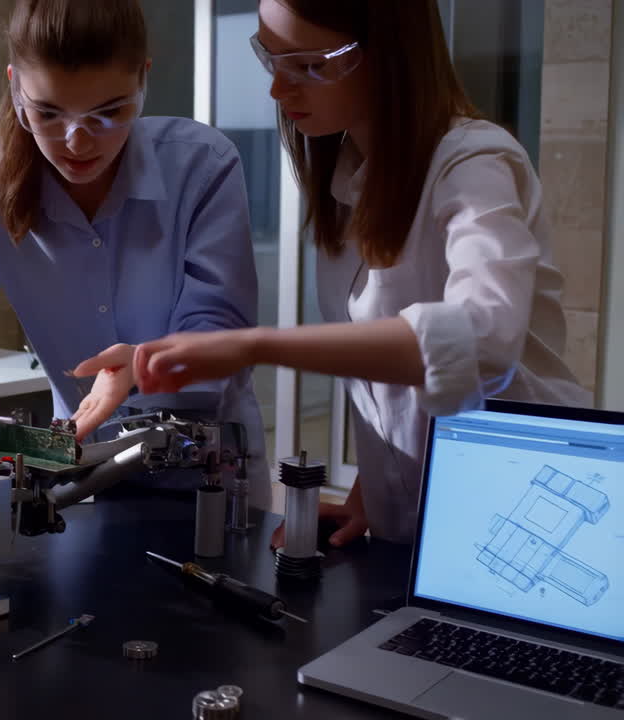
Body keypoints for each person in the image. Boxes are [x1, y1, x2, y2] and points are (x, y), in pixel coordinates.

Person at [109, 0, 590, 546]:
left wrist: (255, 346)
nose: (278, 90)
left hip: (527, 501)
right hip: (421, 518)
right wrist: (379, 485)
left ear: (391, 55)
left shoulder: (474, 162)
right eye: (272, 59)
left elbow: (481, 343)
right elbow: (400, 392)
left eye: (310, 65)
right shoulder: (347, 183)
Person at [0, 0, 271, 504]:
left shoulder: (201, 166)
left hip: (208, 479)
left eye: (109, 112)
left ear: (143, 81)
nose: (77, 142)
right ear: (16, 87)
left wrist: (144, 365)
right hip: (77, 481)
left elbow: (220, 332)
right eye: (49, 113)